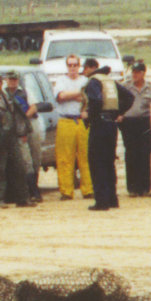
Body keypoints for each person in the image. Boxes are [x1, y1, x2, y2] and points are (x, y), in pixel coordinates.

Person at [82, 59, 135, 211]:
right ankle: (112, 199)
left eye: (85, 68)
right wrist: (118, 113)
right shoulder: (109, 80)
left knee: (97, 162)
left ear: (92, 68)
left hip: (99, 124)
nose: (83, 71)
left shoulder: (93, 82)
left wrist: (88, 113)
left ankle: (101, 201)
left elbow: (96, 101)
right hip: (111, 125)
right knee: (108, 162)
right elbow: (129, 97)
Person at [0, 71, 33, 207]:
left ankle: (22, 199)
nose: (2, 84)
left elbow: (17, 113)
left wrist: (23, 131)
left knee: (19, 168)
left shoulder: (6, 96)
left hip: (11, 138)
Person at [118, 62, 151, 197]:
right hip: (129, 122)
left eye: (137, 72)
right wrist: (119, 114)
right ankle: (132, 188)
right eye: (133, 72)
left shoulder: (149, 87)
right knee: (131, 154)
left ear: (143, 73)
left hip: (144, 122)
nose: (134, 74)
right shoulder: (125, 86)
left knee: (144, 153)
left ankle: (144, 188)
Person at [51, 55, 92, 200]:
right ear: (67, 66)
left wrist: (72, 95)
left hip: (83, 122)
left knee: (86, 156)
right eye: (70, 65)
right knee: (64, 157)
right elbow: (61, 96)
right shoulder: (61, 81)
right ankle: (66, 191)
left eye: (75, 65)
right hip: (66, 120)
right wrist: (80, 93)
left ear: (79, 66)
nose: (73, 68)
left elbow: (90, 98)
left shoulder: (86, 81)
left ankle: (88, 189)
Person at [3, 71, 42, 203]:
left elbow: (34, 107)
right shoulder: (3, 94)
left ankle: (34, 188)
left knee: (34, 157)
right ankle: (28, 191)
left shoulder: (25, 92)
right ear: (6, 80)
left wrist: (23, 118)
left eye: (15, 79)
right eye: (10, 79)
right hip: (12, 128)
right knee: (24, 159)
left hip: (29, 124)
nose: (12, 82)